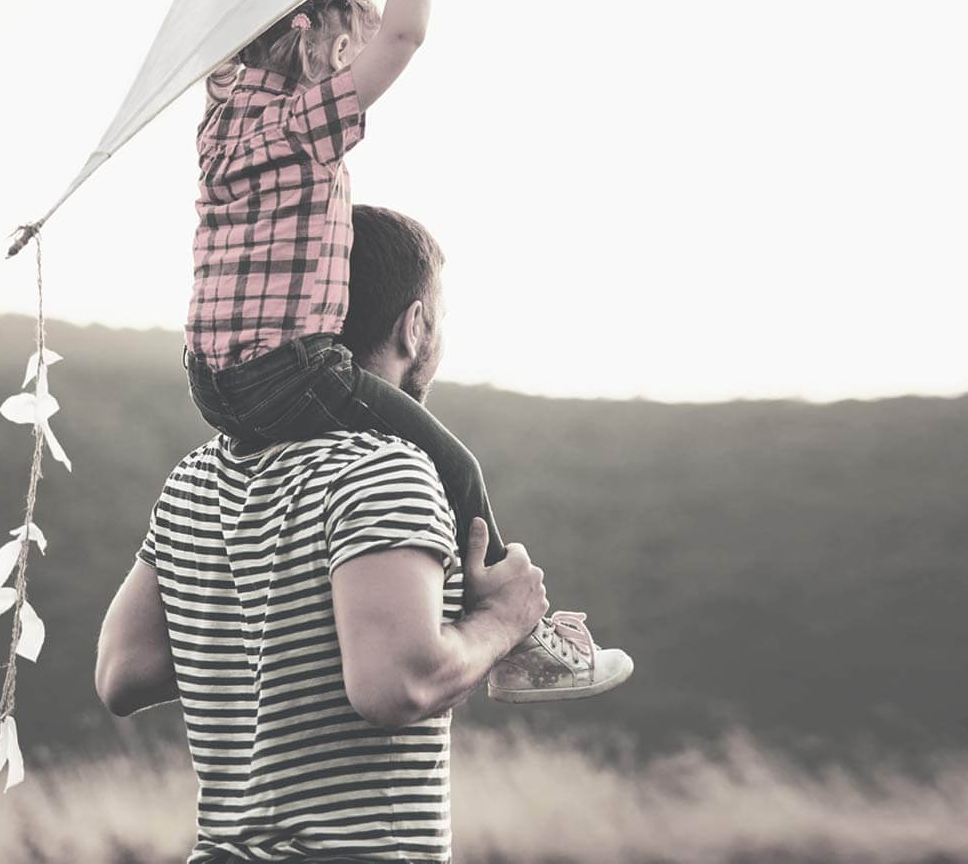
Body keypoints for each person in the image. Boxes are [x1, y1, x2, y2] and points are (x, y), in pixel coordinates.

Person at [96, 206, 634, 862]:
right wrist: (501, 622)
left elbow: (124, 673)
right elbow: (394, 688)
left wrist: (280, 628)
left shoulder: (196, 477)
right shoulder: (383, 465)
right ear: (415, 327)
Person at [183, 0, 627, 697]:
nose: (359, 66)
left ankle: (393, 603)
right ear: (315, 43)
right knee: (453, 466)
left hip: (210, 384)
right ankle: (515, 637)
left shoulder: (217, 127)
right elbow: (408, 34)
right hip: (289, 369)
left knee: (284, 483)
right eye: (349, 50)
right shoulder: (300, 125)